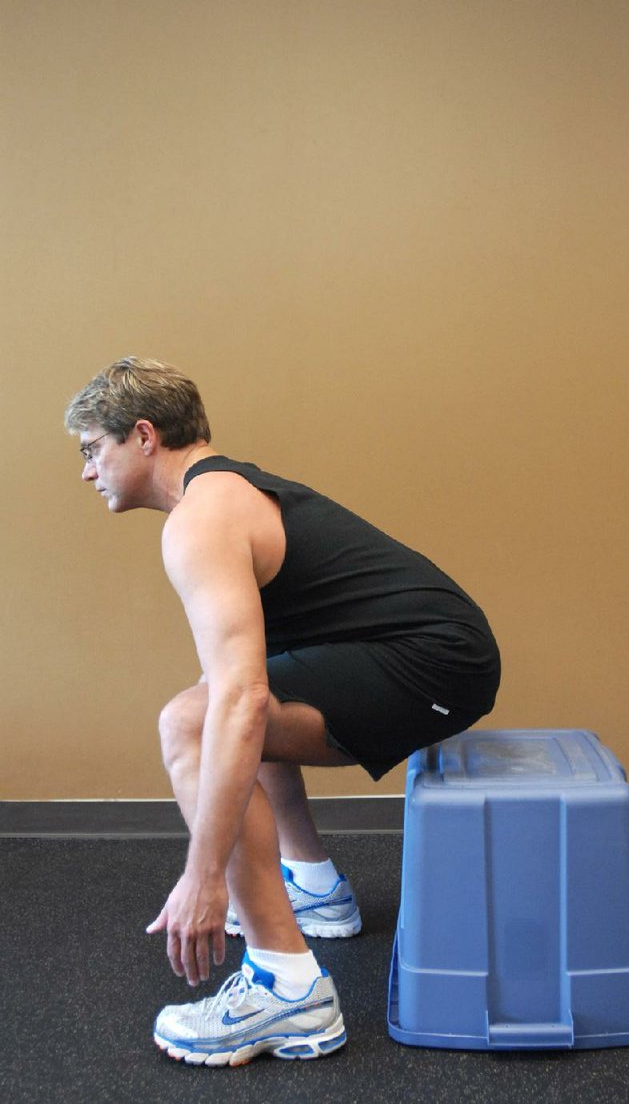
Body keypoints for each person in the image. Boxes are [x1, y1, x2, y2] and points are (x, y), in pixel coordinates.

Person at [64, 356, 501, 1068]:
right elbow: (239, 687)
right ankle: (314, 886)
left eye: (92, 449)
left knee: (197, 721)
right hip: (437, 648)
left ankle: (287, 986)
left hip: (437, 661)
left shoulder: (201, 521)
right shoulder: (224, 490)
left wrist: (204, 875)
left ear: (143, 435)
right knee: (225, 700)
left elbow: (239, 705)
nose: (87, 471)